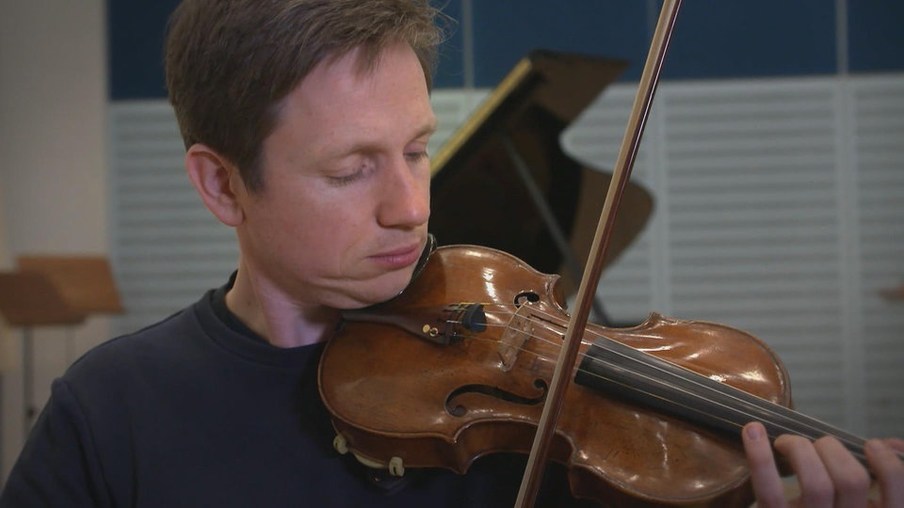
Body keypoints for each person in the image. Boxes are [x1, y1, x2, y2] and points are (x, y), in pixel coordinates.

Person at [2, 0, 902, 506]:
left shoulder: (540, 421)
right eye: (352, 168)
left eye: (418, 149)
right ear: (222, 185)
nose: (409, 208)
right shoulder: (112, 410)